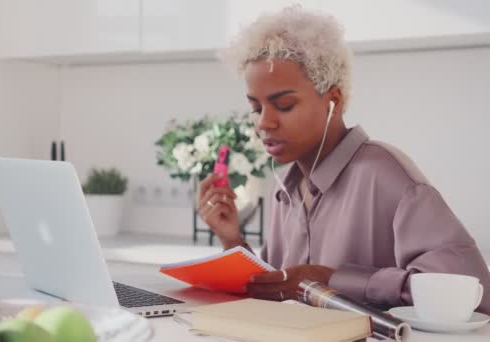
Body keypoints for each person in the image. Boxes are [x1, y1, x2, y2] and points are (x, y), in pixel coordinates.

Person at [196, 5, 490, 313]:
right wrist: (231, 239)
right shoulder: (284, 187)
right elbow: (276, 288)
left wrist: (334, 279)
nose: (263, 123)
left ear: (332, 101)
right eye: (256, 108)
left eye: (283, 105)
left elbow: (474, 293)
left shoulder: (387, 175)